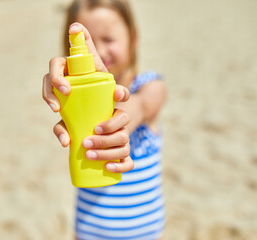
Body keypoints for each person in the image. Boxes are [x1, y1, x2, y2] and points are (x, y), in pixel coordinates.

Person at [42, 0, 167, 239]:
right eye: (90, 44)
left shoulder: (150, 86)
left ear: (134, 37)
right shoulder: (74, 94)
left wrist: (117, 122)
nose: (97, 52)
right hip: (88, 231)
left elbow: (140, 105)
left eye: (108, 39)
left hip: (145, 234)